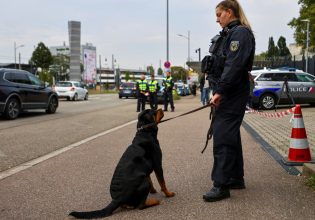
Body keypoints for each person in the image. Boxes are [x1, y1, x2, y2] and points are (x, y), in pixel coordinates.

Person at [202, 0, 255, 202]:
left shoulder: (240, 33)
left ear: (229, 12)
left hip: (232, 92)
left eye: (219, 15)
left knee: (223, 136)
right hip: (228, 90)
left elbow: (234, 65)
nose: (216, 20)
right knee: (230, 134)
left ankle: (221, 185)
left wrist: (220, 91)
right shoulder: (229, 34)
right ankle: (235, 177)